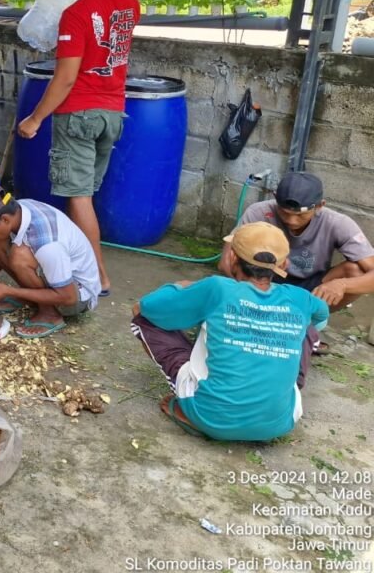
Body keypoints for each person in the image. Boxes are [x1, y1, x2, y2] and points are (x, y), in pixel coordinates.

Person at [15, 0, 140, 296]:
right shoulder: (129, 3)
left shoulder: (77, 13)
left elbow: (66, 77)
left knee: (79, 196)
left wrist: (35, 119)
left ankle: (97, 275)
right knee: (87, 194)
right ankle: (85, 263)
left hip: (80, 114)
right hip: (114, 112)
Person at [132, 222, 329, 441]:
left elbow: (149, 306)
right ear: (284, 264)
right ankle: (280, 387)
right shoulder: (300, 297)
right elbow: (321, 319)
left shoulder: (217, 288)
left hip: (212, 418)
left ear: (232, 258)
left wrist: (182, 286)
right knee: (306, 325)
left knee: (141, 316)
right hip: (280, 422)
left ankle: (191, 412)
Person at [221, 172, 374, 314]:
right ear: (275, 198)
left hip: (312, 285)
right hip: (265, 278)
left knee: (355, 271)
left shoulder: (338, 224)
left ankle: (311, 318)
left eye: (300, 215)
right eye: (284, 213)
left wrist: (342, 285)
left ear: (320, 205)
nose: (291, 220)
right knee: (237, 260)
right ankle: (252, 309)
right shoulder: (259, 212)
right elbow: (226, 262)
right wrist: (251, 290)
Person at [0, 182, 100, 338]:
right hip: (57, 278)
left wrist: (9, 290)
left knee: (19, 256)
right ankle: (30, 298)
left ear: (5, 220)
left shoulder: (47, 244)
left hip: (77, 296)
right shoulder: (18, 209)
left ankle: (50, 314)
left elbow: (69, 297)